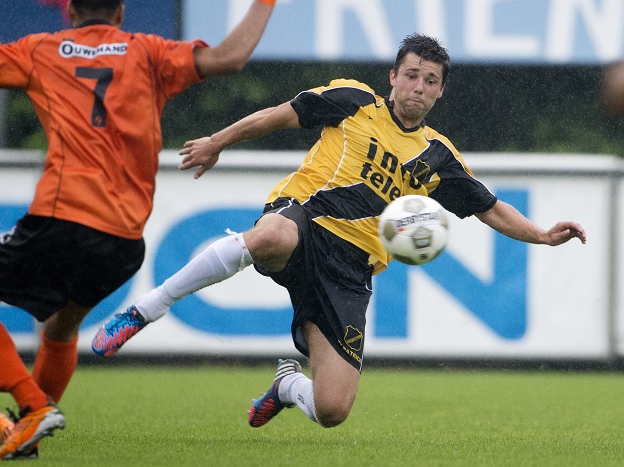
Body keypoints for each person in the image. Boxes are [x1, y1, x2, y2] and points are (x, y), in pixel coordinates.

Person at [92, 33, 587, 429]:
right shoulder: (352, 101)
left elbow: (491, 208)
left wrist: (543, 236)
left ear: (440, 91)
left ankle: (287, 386)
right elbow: (277, 116)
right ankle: (145, 309)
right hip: (306, 219)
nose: (418, 86)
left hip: (350, 272)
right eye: (411, 75)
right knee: (268, 237)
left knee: (332, 410)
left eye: (430, 80)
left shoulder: (441, 156)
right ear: (393, 77)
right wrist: (217, 141)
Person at [0, 0, 295, 461]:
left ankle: (33, 405)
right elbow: (229, 59)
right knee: (62, 325)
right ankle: (26, 433)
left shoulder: (43, 49)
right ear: (122, 14)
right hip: (124, 240)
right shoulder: (149, 53)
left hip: (62, 217)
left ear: (70, 11)